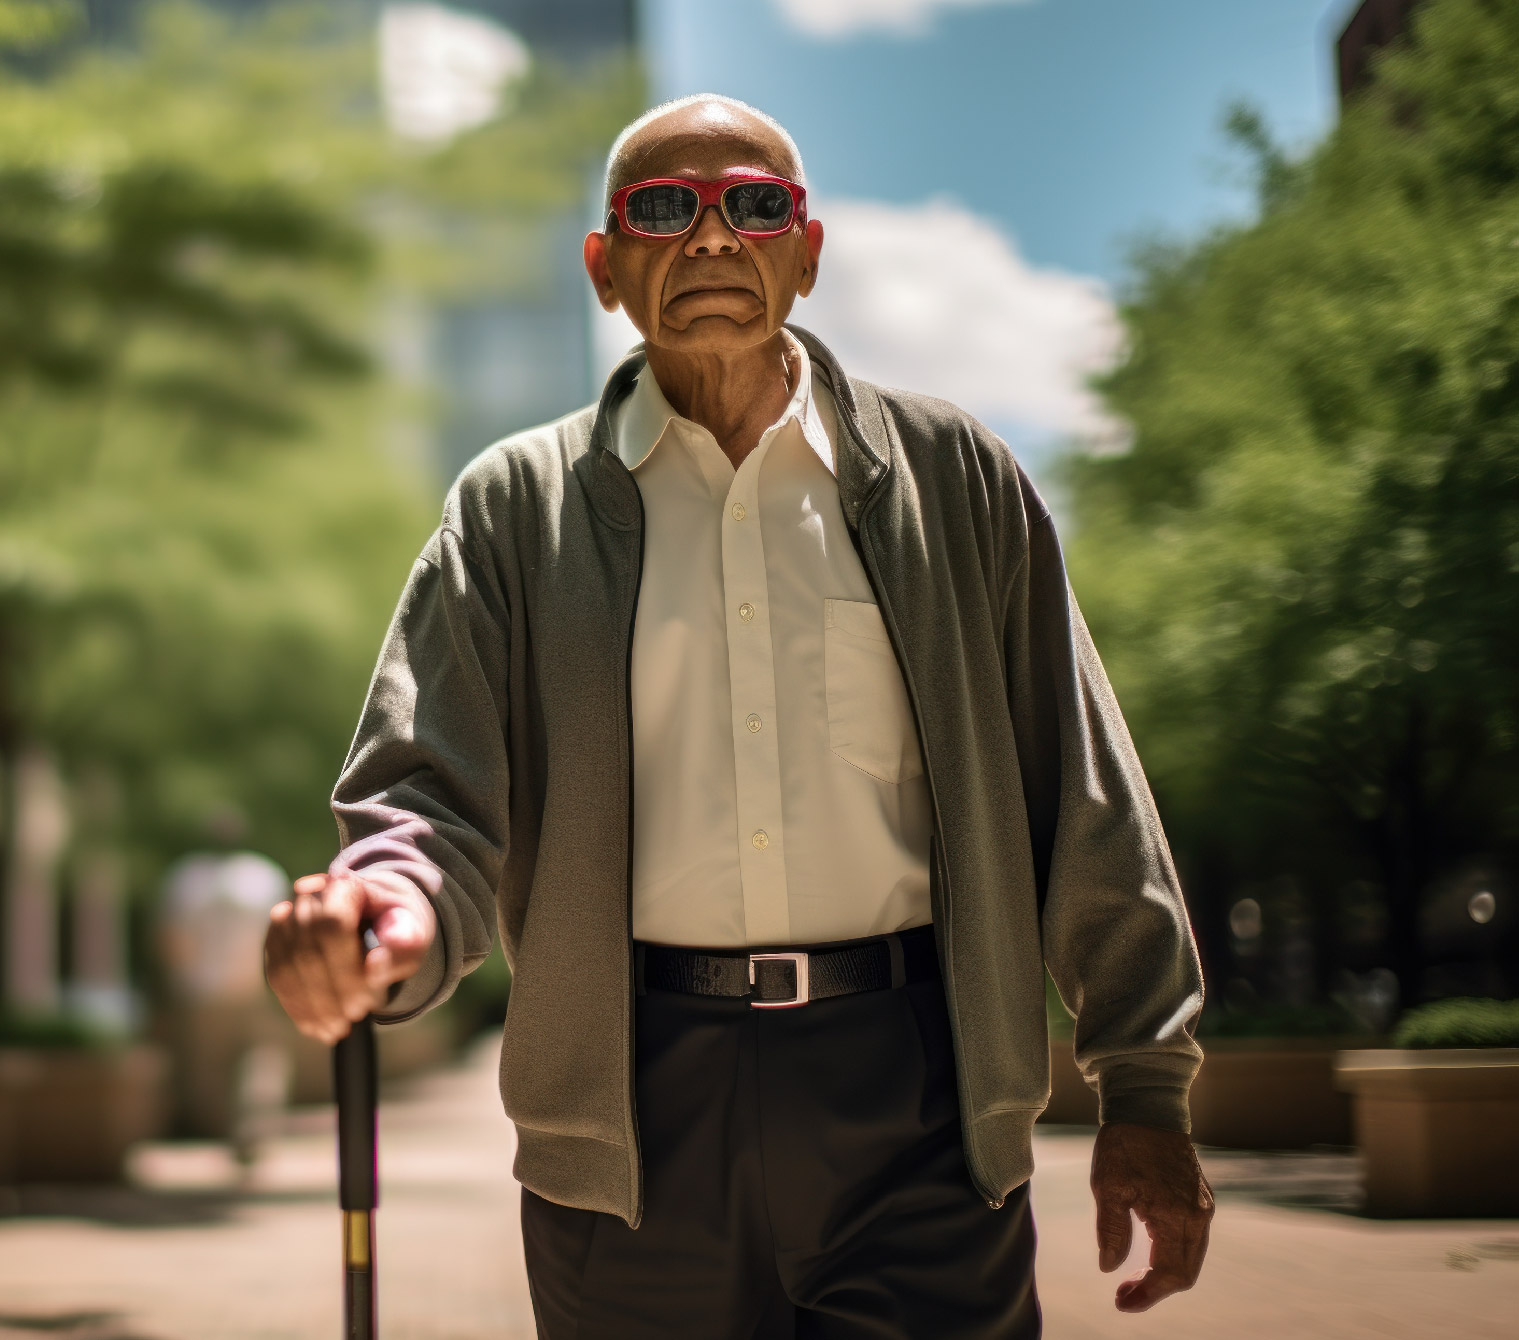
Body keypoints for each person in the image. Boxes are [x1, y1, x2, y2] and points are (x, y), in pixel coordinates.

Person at [263, 93, 1215, 1338]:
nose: (712, 236)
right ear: (607, 269)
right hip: (630, 1113)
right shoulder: (512, 507)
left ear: (804, 253)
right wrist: (386, 905)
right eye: (664, 209)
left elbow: (1080, 787)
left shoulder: (955, 478)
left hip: (914, 1097)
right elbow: (426, 796)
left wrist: (1143, 1078)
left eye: (753, 205)